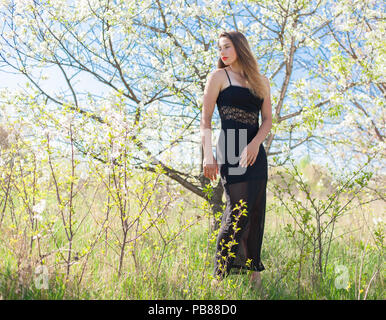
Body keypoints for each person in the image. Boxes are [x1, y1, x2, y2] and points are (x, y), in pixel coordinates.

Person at [200, 31, 272, 289]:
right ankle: (218, 277)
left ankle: (254, 274)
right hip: (230, 147)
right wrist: (208, 155)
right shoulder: (219, 76)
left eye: (227, 47)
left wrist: (255, 144)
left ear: (240, 47)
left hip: (254, 152)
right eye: (220, 49)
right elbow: (206, 120)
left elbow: (268, 122)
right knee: (236, 210)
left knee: (255, 211)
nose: (222, 53)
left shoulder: (261, 81)